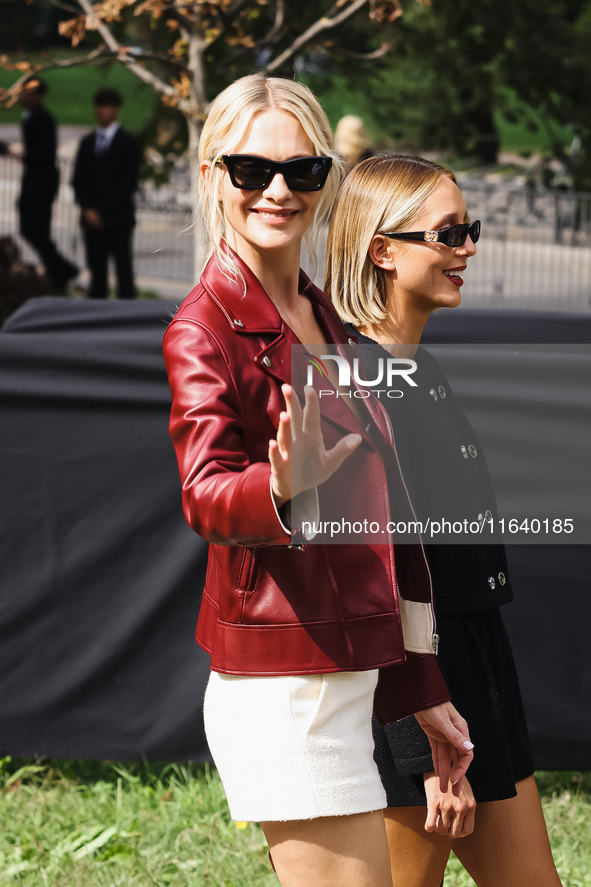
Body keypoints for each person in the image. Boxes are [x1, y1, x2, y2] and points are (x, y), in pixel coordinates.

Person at [162, 76, 474, 887]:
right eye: (250, 170)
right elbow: (204, 492)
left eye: (301, 172)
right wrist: (279, 485)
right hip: (283, 686)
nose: (277, 191)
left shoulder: (321, 312)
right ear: (210, 176)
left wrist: (418, 680)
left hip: (347, 668)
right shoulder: (202, 326)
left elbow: (383, 519)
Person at [325, 154, 563, 887]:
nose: (466, 249)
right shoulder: (347, 380)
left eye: (470, 230)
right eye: (447, 233)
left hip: (475, 653)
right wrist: (414, 740)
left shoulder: (414, 369)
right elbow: (359, 583)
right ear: (382, 249)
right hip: (414, 676)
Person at [73, 88, 140, 299]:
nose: (103, 111)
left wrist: (100, 210)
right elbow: (78, 180)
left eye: (108, 106)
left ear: (116, 109)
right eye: (99, 106)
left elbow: (128, 183)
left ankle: (127, 316)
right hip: (91, 219)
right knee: (96, 272)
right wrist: (87, 208)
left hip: (118, 218)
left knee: (123, 270)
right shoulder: (87, 143)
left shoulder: (129, 143)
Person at [17, 75, 78, 292]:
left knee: (36, 229)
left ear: (39, 96)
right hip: (34, 181)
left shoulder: (42, 118)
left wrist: (21, 154)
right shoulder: (31, 116)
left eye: (29, 92)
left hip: (40, 184)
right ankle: (60, 269)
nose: (23, 96)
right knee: (31, 229)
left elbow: (45, 151)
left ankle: (61, 271)